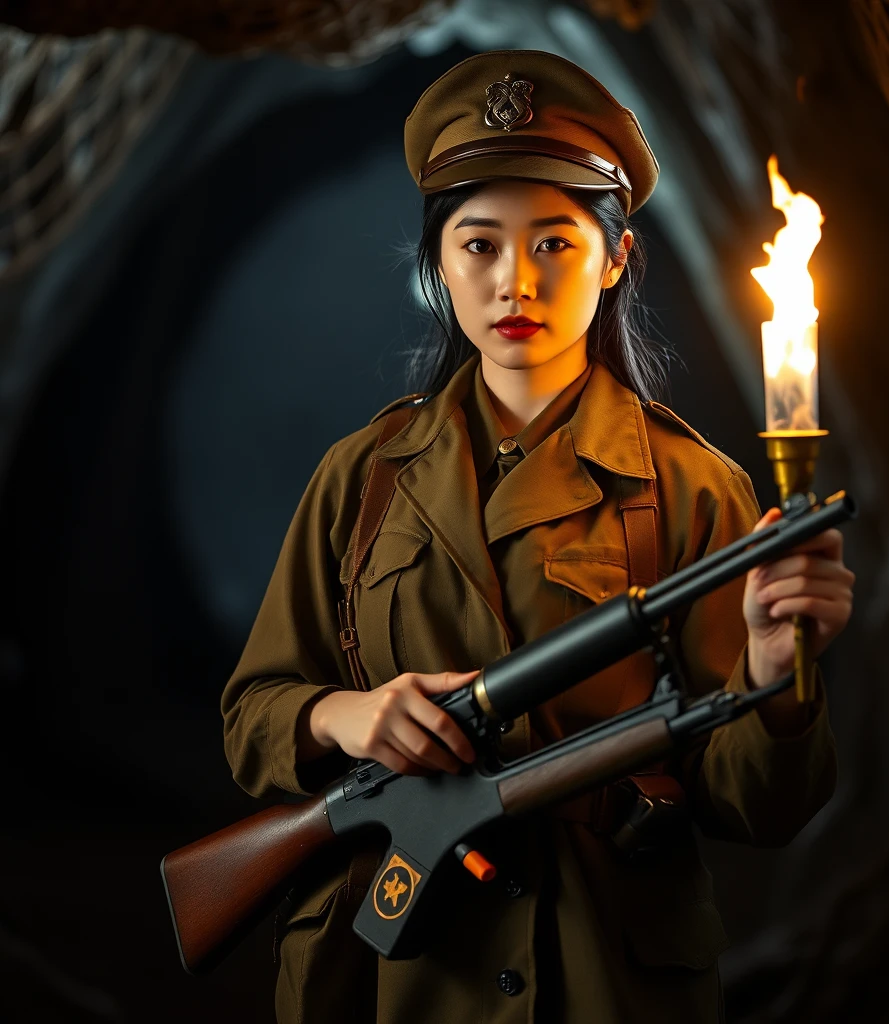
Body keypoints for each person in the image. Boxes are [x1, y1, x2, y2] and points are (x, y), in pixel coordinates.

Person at [221, 49, 854, 1024]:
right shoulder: (362, 478)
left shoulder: (694, 489)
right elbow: (252, 713)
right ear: (438, 261)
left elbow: (761, 806)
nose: (514, 280)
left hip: (595, 977)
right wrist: (348, 717)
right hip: (397, 983)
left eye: (554, 243)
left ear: (616, 257)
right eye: (479, 244)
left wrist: (774, 677)